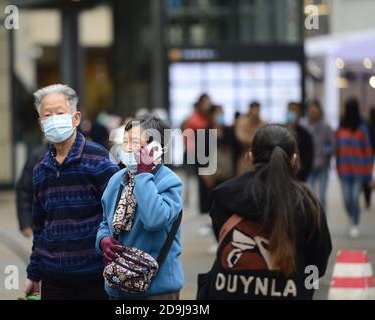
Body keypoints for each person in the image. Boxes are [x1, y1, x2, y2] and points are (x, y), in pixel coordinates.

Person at [198, 124, 332, 300]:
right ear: (293, 159)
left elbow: (222, 238)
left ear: (251, 156)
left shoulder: (224, 195)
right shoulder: (307, 203)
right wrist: (302, 289)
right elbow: (318, 261)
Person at [21, 84, 119, 300]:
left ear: (75, 118)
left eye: (60, 113)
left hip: (95, 277)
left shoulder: (98, 159)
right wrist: (33, 274)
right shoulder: (41, 169)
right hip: (53, 279)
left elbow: (119, 214)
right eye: (48, 115)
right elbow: (40, 228)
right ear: (41, 124)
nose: (54, 119)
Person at [96, 115, 184, 300]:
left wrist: (143, 176)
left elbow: (154, 220)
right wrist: (103, 239)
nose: (126, 148)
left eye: (134, 142)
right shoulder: (117, 179)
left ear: (156, 148)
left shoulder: (170, 182)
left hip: (157, 289)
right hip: (118, 285)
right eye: (124, 141)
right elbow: (105, 221)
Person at [335, 98, 373, 238]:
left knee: (355, 198)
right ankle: (352, 216)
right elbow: (337, 150)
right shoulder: (340, 129)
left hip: (359, 170)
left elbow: (367, 151)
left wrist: (369, 173)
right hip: (344, 170)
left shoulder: (362, 129)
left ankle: (355, 223)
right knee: (347, 199)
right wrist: (337, 167)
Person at [300, 100, 334, 211]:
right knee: (309, 195)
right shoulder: (303, 124)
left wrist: (326, 151)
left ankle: (323, 220)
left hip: (323, 165)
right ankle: (313, 219)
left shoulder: (326, 126)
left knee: (322, 196)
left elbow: (331, 144)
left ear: (320, 111)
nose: (313, 113)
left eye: (315, 110)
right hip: (308, 165)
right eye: (311, 110)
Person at [15, 141, 49, 238]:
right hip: (44, 227)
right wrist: (25, 222)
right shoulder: (38, 156)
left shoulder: (85, 155)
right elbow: (24, 190)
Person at [235, 102, 266, 175]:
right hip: (245, 158)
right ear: (249, 110)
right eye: (253, 110)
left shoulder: (264, 123)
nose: (255, 113)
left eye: (257, 110)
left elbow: (266, 140)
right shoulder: (242, 122)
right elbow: (241, 138)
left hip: (261, 158)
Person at [286, 102, 314, 182]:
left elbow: (309, 158)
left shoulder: (305, 135)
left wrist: (302, 176)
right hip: (282, 177)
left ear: (299, 113)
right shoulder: (279, 130)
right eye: (289, 109)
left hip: (300, 178)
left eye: (294, 110)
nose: (291, 112)